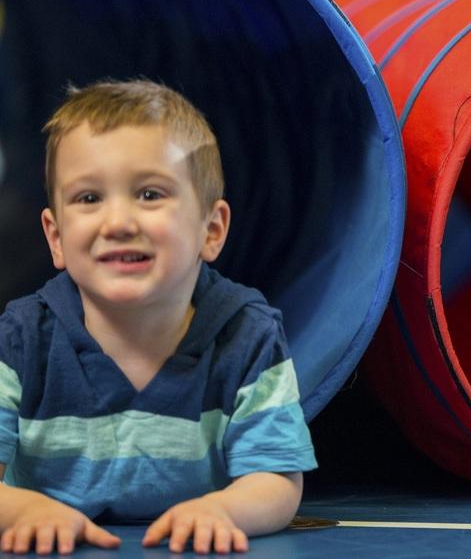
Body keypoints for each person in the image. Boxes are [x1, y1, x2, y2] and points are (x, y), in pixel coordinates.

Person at [0, 80, 317, 554]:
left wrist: (225, 510)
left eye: (149, 194)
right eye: (89, 198)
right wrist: (25, 510)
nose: (119, 222)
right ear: (56, 237)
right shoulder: (23, 338)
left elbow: (276, 478)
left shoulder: (246, 334)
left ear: (211, 230)